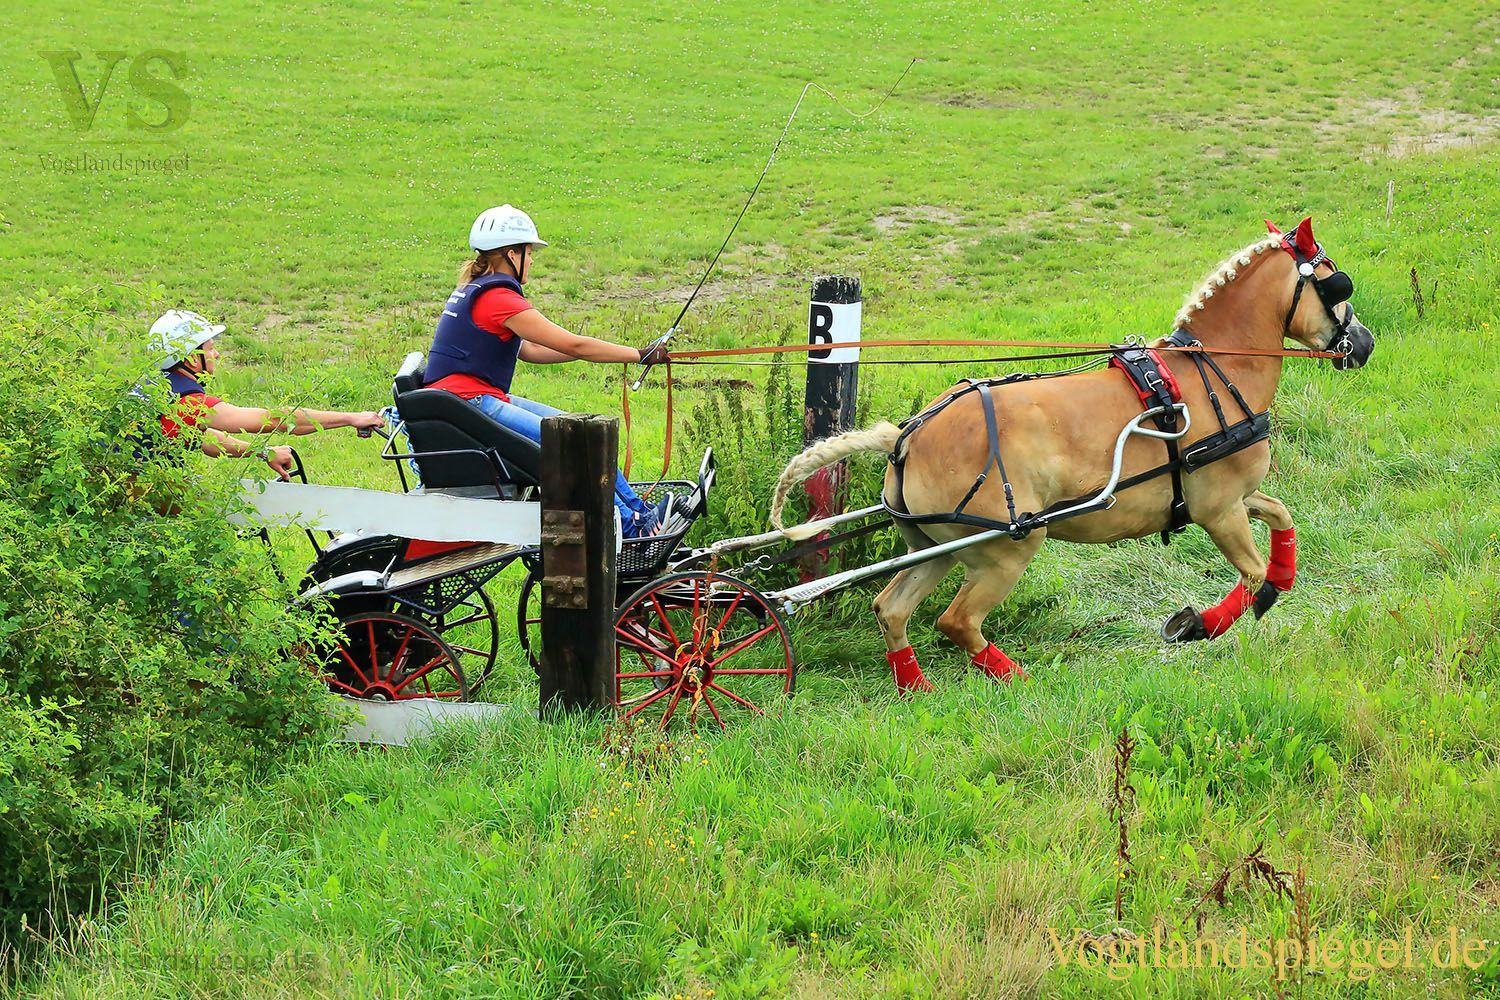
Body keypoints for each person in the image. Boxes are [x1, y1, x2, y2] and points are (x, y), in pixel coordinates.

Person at [421, 204, 673, 536]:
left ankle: (638, 515)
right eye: (529, 252)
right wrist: (638, 354)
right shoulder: (498, 299)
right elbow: (574, 344)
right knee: (573, 441)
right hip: (471, 403)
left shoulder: (476, 289)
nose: (533, 260)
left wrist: (590, 354)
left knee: (584, 431)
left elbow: (531, 350)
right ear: (512, 254)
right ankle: (629, 526)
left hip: (469, 401)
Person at [144, 309, 385, 478]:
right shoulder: (188, 404)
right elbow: (272, 420)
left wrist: (262, 452)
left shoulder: (154, 385)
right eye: (211, 348)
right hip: (142, 493)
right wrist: (350, 418)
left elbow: (203, 438)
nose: (216, 355)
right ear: (191, 359)